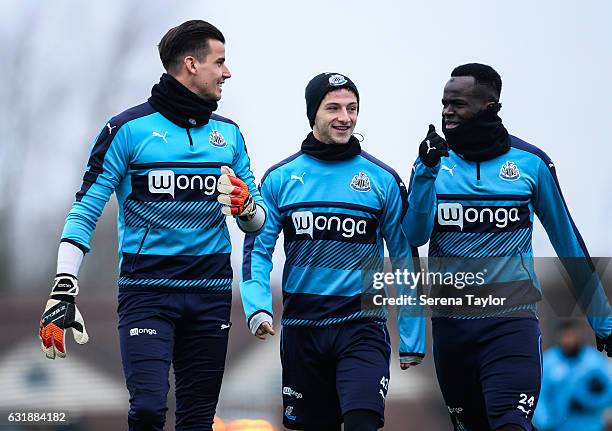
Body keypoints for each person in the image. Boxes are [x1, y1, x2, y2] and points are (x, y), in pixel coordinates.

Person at [38, 20, 266, 431]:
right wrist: (63, 284)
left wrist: (245, 206)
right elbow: (85, 208)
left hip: (210, 293)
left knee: (198, 421)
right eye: (221, 62)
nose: (227, 73)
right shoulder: (125, 130)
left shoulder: (229, 134)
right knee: (146, 409)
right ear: (191, 64)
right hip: (146, 291)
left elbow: (258, 221)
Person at [403, 63, 612, 430]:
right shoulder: (432, 163)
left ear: (490, 106)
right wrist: (425, 172)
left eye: (458, 103)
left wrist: (602, 319)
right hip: (452, 325)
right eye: (444, 103)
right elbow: (415, 235)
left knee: (511, 424)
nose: (447, 110)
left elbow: (567, 240)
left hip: (511, 323)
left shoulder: (531, 163)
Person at [240, 72, 425, 430]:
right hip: (302, 329)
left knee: (362, 422)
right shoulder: (281, 178)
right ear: (313, 115)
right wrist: (257, 307)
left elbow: (405, 257)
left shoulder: (382, 180)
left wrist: (412, 336)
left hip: (362, 327)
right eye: (334, 108)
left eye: (352, 108)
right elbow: (257, 250)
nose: (345, 117)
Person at [534, 321, 612, 431]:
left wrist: (590, 401)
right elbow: (540, 395)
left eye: (571, 336)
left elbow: (609, 391)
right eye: (565, 336)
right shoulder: (549, 362)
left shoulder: (594, 360)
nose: (568, 340)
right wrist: (545, 422)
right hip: (559, 427)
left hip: (591, 426)